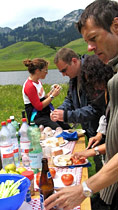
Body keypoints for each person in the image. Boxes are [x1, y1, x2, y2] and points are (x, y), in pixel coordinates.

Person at [44, 0, 118, 210]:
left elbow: (96, 109)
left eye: (93, 38)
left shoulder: (94, 71)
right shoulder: (80, 77)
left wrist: (86, 187)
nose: (90, 47)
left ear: (116, 26)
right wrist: (63, 111)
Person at [50, 48, 106, 139]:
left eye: (64, 70)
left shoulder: (92, 71)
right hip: (91, 131)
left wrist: (66, 116)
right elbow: (70, 99)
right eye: (61, 72)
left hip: (102, 131)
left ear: (74, 61)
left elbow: (96, 109)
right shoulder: (74, 76)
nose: (64, 75)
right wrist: (60, 110)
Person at [22, 58, 70, 130]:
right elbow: (39, 106)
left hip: (45, 113)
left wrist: (52, 91)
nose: (47, 73)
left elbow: (42, 98)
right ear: (38, 71)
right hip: (37, 117)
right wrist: (52, 95)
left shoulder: (38, 82)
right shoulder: (30, 86)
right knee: (58, 129)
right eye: (45, 70)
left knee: (66, 127)